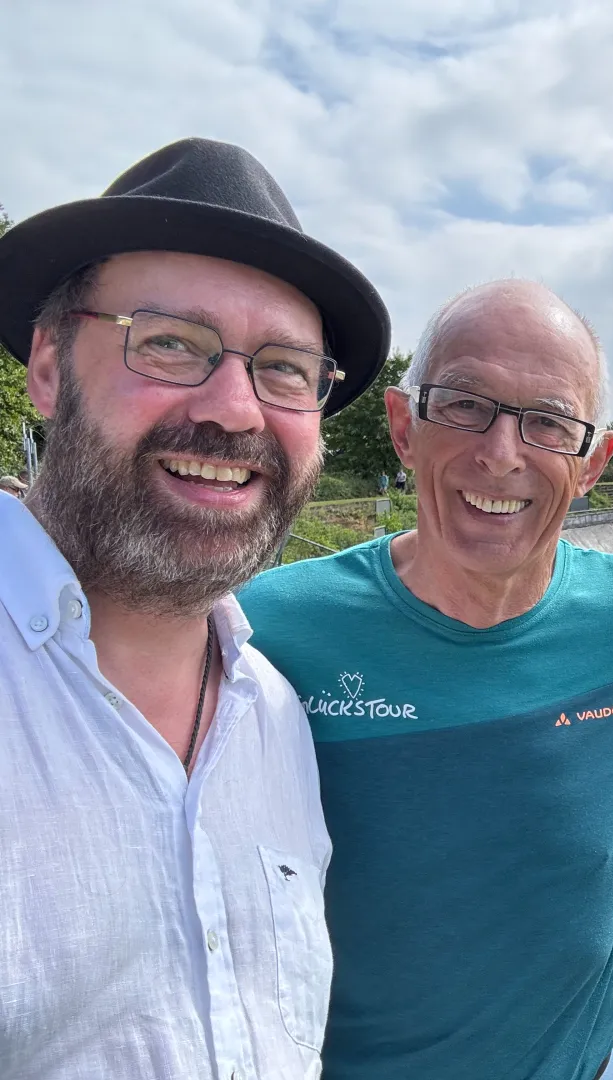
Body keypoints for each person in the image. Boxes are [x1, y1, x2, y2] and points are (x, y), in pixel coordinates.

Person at [239, 280, 613, 1080]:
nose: (501, 453)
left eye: (547, 421)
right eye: (465, 404)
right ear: (404, 427)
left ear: (591, 464)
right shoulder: (266, 630)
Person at [0, 137, 390, 1079]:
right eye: (170, 341)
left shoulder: (278, 720)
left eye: (288, 370)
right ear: (49, 368)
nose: (236, 410)